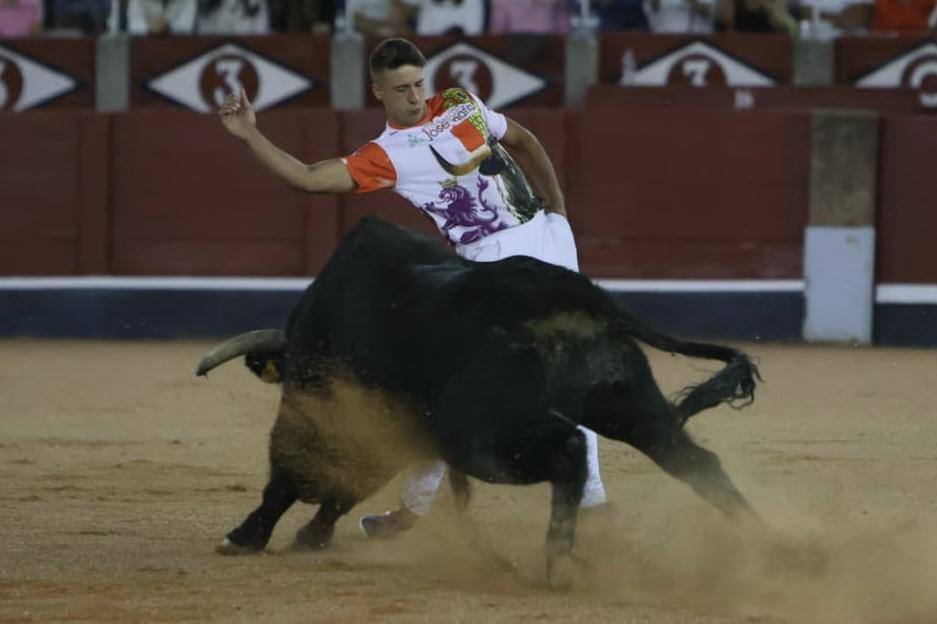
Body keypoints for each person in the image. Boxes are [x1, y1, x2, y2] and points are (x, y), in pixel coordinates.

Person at [218, 37, 609, 539]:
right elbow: (310, 178)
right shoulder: (387, 154)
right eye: (401, 88)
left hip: (531, 247)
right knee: (469, 383)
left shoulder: (457, 103)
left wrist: (557, 209)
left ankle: (580, 504)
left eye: (419, 83)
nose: (415, 96)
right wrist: (250, 134)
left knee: (477, 383)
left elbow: (524, 140)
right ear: (378, 92)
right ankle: (425, 510)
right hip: (490, 262)